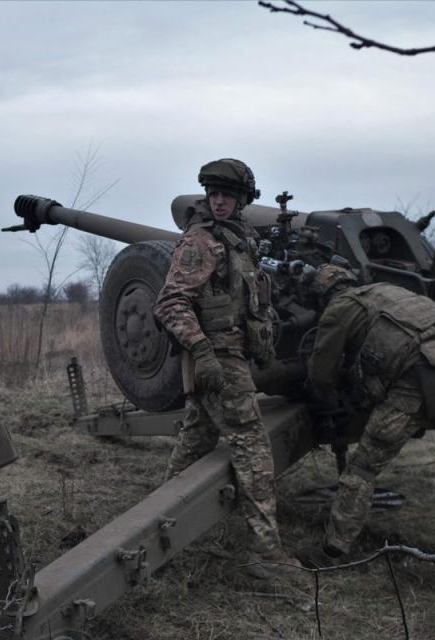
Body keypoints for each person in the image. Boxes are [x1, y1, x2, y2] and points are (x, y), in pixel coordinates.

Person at [298, 265, 435, 568]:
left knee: (362, 468)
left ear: (321, 294)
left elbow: (321, 373)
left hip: (415, 381)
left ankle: (334, 550)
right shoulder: (391, 291)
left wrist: (320, 392)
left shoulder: (340, 308)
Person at [153, 158, 293, 576]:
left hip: (231, 356)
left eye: (226, 195)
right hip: (218, 360)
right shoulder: (201, 242)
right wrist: (203, 353)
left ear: (242, 200)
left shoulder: (238, 240)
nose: (218, 202)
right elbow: (170, 302)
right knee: (253, 450)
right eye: (212, 195)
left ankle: (162, 535)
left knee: (192, 445)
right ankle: (266, 555)